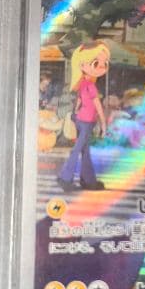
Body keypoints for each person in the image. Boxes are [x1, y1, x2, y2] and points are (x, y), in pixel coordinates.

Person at [57, 41, 109, 191]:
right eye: (96, 63)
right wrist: (103, 124)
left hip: (82, 119)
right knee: (78, 149)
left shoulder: (83, 83)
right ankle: (65, 177)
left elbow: (79, 100)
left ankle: (88, 180)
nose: (102, 67)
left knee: (85, 151)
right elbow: (98, 106)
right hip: (86, 121)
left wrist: (76, 111)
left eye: (104, 63)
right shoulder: (91, 86)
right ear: (82, 65)